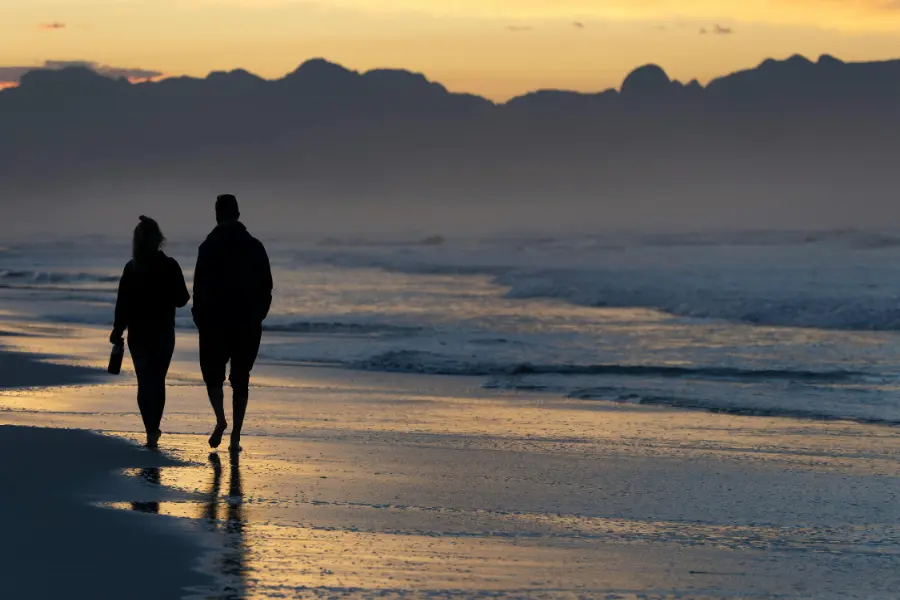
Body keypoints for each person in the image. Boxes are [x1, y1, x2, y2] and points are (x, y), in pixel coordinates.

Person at [193, 194, 273, 452]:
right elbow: (266, 285)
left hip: (214, 322)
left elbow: (198, 287)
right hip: (247, 321)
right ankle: (236, 435)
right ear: (238, 214)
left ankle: (220, 420)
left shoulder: (208, 246)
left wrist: (200, 318)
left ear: (217, 215)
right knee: (241, 378)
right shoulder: (254, 246)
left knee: (213, 376)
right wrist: (259, 313)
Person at [111, 216, 190, 447]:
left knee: (144, 382)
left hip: (138, 334)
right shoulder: (170, 265)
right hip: (163, 333)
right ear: (159, 240)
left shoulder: (132, 268)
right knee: (158, 380)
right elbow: (182, 300)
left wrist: (117, 329)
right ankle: (154, 428)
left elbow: (122, 303)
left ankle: (150, 430)